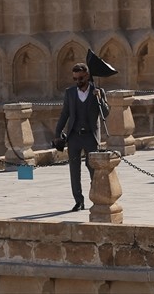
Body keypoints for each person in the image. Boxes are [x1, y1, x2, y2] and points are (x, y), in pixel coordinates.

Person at [55, 62, 110, 211]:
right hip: (74, 136)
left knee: (93, 169)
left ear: (87, 76)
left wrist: (99, 99)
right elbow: (64, 114)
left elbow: (105, 113)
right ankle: (78, 201)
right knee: (74, 169)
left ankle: (96, 197)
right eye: (75, 79)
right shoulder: (70, 92)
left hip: (91, 136)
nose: (77, 82)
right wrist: (57, 133)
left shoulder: (98, 91)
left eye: (80, 78)